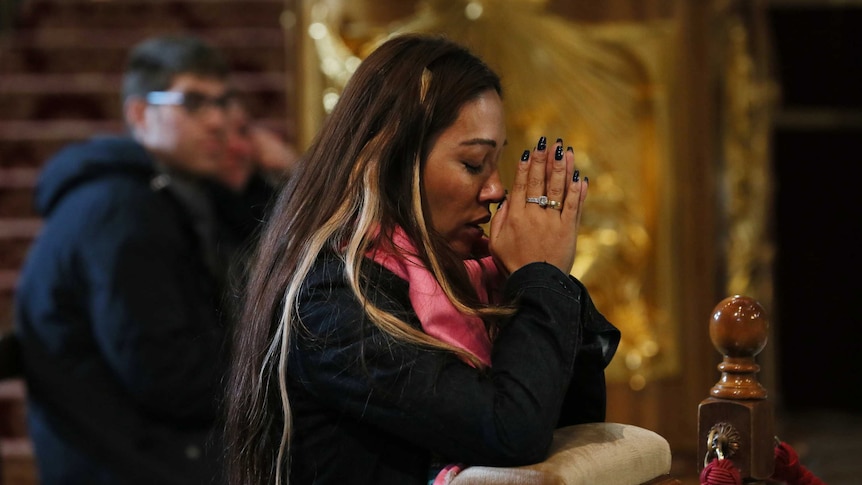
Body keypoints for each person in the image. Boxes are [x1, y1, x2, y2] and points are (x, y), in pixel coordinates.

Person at [223, 33, 621, 485]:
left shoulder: (469, 279)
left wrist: (546, 281)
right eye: (474, 164)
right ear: (394, 162)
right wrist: (540, 276)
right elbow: (512, 432)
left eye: (496, 165)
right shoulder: (332, 299)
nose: (495, 190)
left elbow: (574, 424)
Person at [14, 34, 243, 484]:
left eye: (225, 102)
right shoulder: (121, 210)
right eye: (194, 103)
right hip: (122, 458)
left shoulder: (167, 193)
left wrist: (262, 180)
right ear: (140, 113)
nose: (219, 121)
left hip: (150, 442)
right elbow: (166, 378)